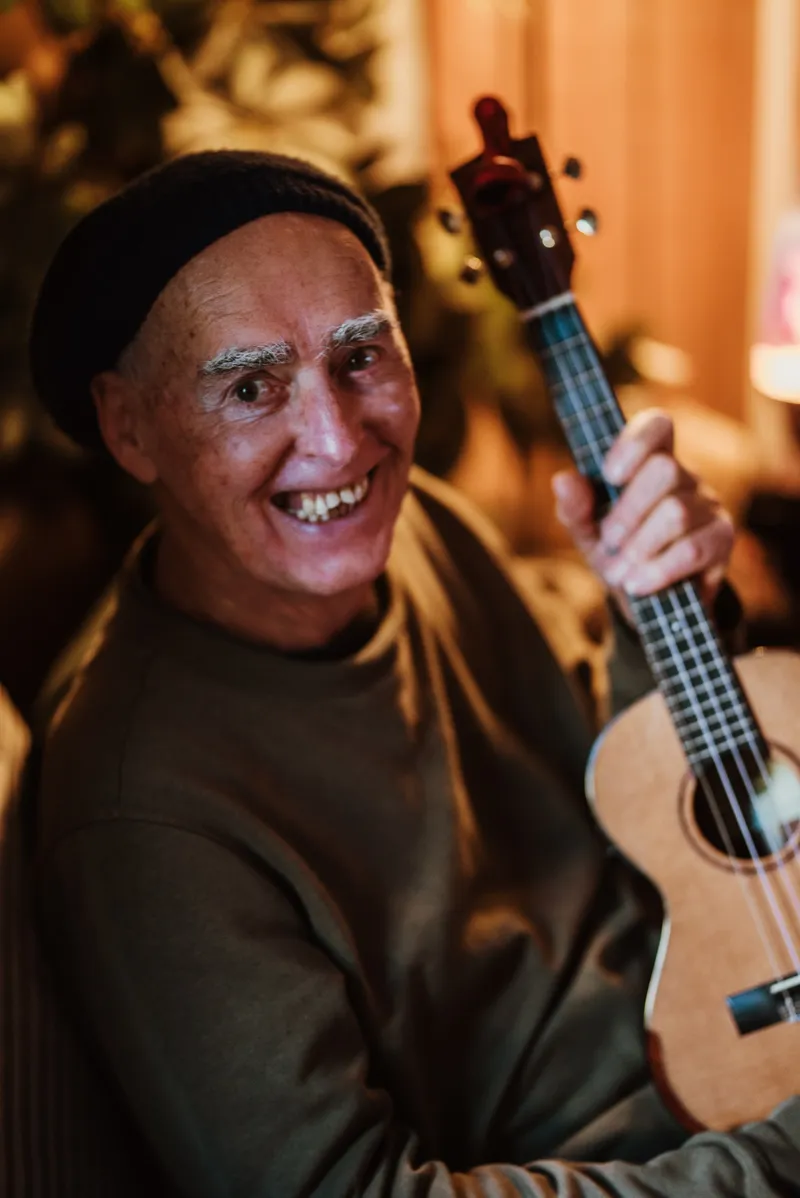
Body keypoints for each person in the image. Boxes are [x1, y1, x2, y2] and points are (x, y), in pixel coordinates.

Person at [28, 151, 800, 1197]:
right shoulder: (141, 809)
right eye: (251, 386)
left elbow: (624, 781)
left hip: (742, 1017)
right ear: (131, 426)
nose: (339, 440)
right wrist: (767, 1158)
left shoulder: (415, 523)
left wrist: (656, 610)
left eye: (360, 356)